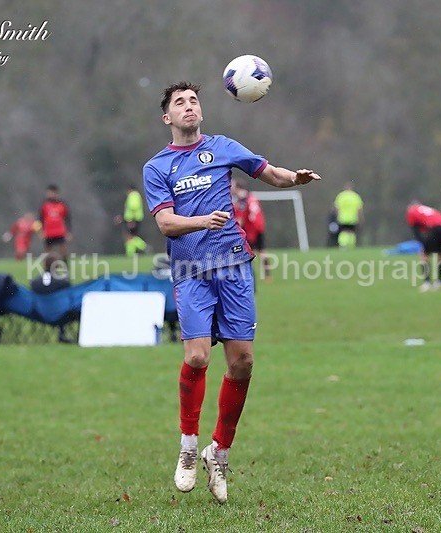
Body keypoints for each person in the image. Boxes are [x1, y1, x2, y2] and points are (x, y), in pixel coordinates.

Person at [143, 81, 321, 504]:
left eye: (194, 101)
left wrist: (292, 178)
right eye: (179, 103)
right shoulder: (157, 168)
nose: (189, 107)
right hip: (191, 271)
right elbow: (166, 224)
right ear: (167, 117)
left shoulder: (223, 147)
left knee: (242, 363)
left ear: (202, 111)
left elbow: (268, 171)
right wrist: (203, 221)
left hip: (234, 267)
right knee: (198, 356)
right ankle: (189, 446)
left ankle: (218, 452)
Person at [405, 202, 441, 292]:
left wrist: (422, 244)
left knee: (424, 255)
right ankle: (439, 282)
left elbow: (416, 232)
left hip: (436, 228)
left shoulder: (410, 211)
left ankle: (427, 283)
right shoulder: (424, 209)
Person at [231, 178, 270, 280]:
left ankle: (249, 276)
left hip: (250, 230)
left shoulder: (242, 201)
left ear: (237, 187)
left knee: (245, 255)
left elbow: (240, 220)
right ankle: (267, 275)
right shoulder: (251, 197)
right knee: (262, 251)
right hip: (259, 227)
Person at [30, 252, 72, 343]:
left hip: (39, 313)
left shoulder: (34, 283)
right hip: (60, 315)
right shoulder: (63, 282)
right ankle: (63, 334)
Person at [39, 184, 72, 260]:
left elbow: (68, 219)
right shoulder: (44, 205)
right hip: (48, 232)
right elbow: (40, 219)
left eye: (51, 193)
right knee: (48, 252)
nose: (50, 195)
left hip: (60, 232)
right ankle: (47, 269)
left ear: (56, 193)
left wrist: (69, 231)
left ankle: (64, 268)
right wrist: (40, 231)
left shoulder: (62, 205)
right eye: (48, 193)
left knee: (63, 250)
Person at [115, 184, 148, 255]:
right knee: (131, 236)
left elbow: (133, 207)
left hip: (132, 219)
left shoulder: (133, 195)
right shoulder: (136, 195)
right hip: (133, 219)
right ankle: (133, 252)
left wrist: (132, 220)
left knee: (130, 237)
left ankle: (142, 248)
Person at [333, 182, 363, 249]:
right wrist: (360, 217)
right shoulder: (355, 196)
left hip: (342, 218)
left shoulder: (341, 196)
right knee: (351, 232)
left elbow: (336, 207)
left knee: (343, 231)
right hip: (353, 218)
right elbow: (359, 208)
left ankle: (343, 244)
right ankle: (351, 245)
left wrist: (337, 215)